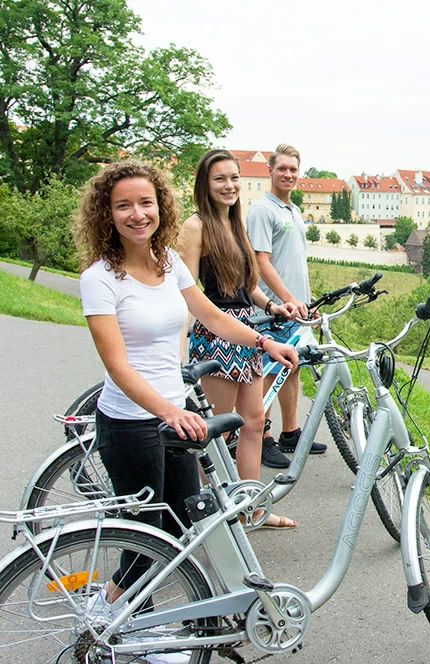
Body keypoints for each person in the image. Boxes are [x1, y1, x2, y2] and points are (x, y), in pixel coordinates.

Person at [75, 160, 299, 663]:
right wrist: (168, 413)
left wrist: (265, 342)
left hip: (175, 417)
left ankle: (134, 618)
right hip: (132, 422)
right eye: (124, 205)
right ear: (106, 214)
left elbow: (212, 315)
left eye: (146, 203)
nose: (137, 214)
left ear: (161, 206)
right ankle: (114, 617)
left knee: (179, 526)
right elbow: (117, 366)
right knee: (147, 533)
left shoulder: (168, 263)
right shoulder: (99, 278)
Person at [179, 149, 298, 529]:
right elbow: (186, 289)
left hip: (246, 331)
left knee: (254, 422)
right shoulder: (196, 227)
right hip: (216, 333)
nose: (229, 186)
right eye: (220, 179)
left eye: (234, 178)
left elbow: (247, 286)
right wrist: (179, 342)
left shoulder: (237, 222)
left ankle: (252, 508)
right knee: (215, 430)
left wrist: (272, 305)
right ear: (205, 184)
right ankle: (201, 516)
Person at [246, 143, 326, 466]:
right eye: (282, 169)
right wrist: (288, 299)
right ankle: (263, 436)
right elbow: (261, 262)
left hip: (295, 308)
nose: (288, 174)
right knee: (267, 370)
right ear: (270, 171)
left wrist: (307, 301)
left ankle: (290, 432)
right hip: (273, 309)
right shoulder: (262, 211)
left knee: (292, 367)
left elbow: (295, 264)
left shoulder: (293, 212)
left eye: (293, 169)